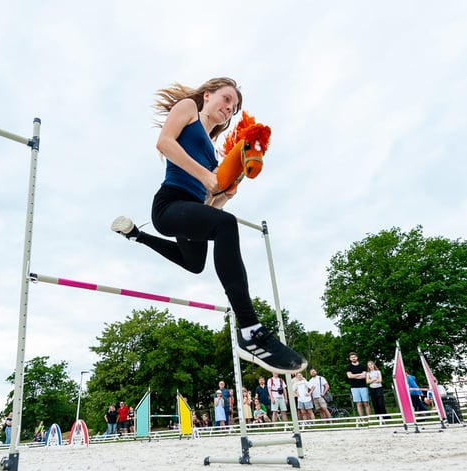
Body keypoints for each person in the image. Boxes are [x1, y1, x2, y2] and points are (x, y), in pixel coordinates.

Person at [110, 77, 306, 376]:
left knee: (195, 263)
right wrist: (207, 177)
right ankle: (251, 330)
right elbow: (164, 142)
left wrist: (227, 193)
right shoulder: (188, 108)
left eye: (235, 107)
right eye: (227, 99)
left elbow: (208, 208)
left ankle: (136, 235)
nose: (230, 108)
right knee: (227, 225)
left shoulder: (213, 153)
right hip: (169, 205)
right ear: (207, 95)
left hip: (190, 210)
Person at [346, 352, 370, 416]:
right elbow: (349, 376)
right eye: (351, 357)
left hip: (363, 386)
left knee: (366, 403)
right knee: (358, 404)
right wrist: (360, 374)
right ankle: (362, 419)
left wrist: (354, 375)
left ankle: (369, 418)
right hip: (354, 387)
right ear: (350, 359)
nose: (353, 358)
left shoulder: (362, 366)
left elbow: (364, 376)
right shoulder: (349, 367)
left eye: (354, 357)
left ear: (357, 357)